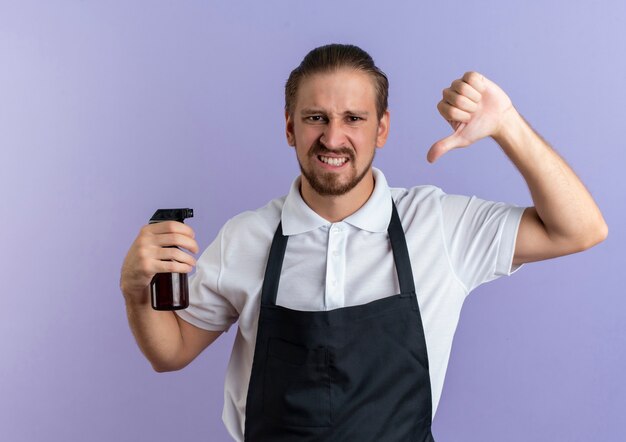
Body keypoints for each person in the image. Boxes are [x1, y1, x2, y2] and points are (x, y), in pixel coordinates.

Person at [120, 44, 607, 441]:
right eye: (315, 118)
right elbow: (172, 352)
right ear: (289, 127)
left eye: (354, 118)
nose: (333, 137)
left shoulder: (438, 223)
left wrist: (508, 127)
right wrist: (136, 291)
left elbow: (581, 229)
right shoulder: (246, 238)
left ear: (383, 128)